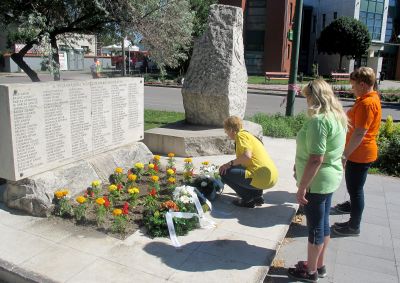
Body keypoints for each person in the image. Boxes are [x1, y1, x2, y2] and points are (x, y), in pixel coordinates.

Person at [287, 79, 347, 282]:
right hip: (329, 178)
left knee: (314, 228)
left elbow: (316, 158)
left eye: (307, 96)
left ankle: (310, 272)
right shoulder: (337, 116)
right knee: (323, 224)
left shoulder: (319, 121)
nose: (306, 100)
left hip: (317, 182)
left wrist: (302, 187)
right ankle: (319, 265)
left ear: (315, 97)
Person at [333, 67, 381, 236]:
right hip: (361, 152)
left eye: (353, 86)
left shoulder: (367, 103)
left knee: (356, 190)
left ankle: (353, 226)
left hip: (360, 153)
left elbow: (360, 132)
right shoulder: (369, 98)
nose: (352, 89)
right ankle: (352, 206)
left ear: (362, 84)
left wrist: (345, 154)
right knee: (355, 187)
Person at [219, 116, 278, 208]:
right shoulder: (249, 135)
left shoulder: (240, 135)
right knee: (244, 168)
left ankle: (248, 199)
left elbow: (247, 156)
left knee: (224, 172)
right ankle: (257, 196)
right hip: (271, 177)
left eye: (226, 131)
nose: (226, 133)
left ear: (230, 129)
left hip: (262, 178)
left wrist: (228, 164)